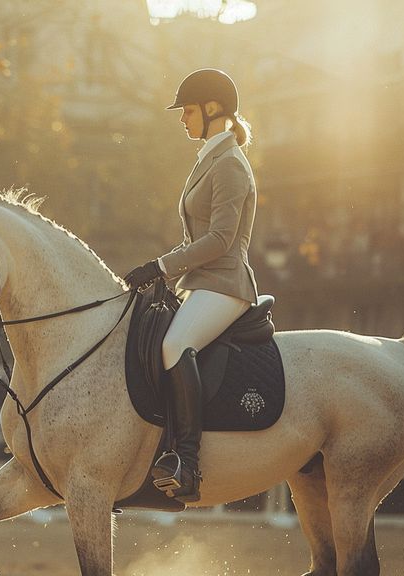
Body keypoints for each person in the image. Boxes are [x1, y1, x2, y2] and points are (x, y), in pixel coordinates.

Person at [123, 68, 260, 503]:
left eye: (187, 110)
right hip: (200, 282)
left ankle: (187, 461)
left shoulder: (232, 165)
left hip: (226, 283)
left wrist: (161, 266)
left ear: (212, 109)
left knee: (174, 345)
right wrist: (163, 276)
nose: (183, 119)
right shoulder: (209, 160)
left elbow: (220, 240)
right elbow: (192, 240)